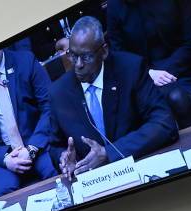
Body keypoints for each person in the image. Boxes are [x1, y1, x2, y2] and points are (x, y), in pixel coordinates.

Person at [49, 16, 178, 178]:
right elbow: (54, 145)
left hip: (140, 166)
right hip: (93, 180)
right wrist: (63, 157)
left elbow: (164, 123)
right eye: (73, 56)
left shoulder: (131, 69)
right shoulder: (58, 92)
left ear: (104, 51)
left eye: (86, 56)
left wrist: (109, 153)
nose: (78, 64)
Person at [107, 0, 191, 128]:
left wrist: (164, 73)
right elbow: (119, 56)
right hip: (145, 82)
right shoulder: (114, 5)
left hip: (187, 71)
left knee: (177, 99)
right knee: (172, 101)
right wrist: (148, 73)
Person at [0, 49, 58, 198]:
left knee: (55, 174)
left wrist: (32, 148)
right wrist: (4, 159)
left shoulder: (25, 61)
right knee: (2, 195)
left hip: (37, 141)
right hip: (4, 153)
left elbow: (49, 106)